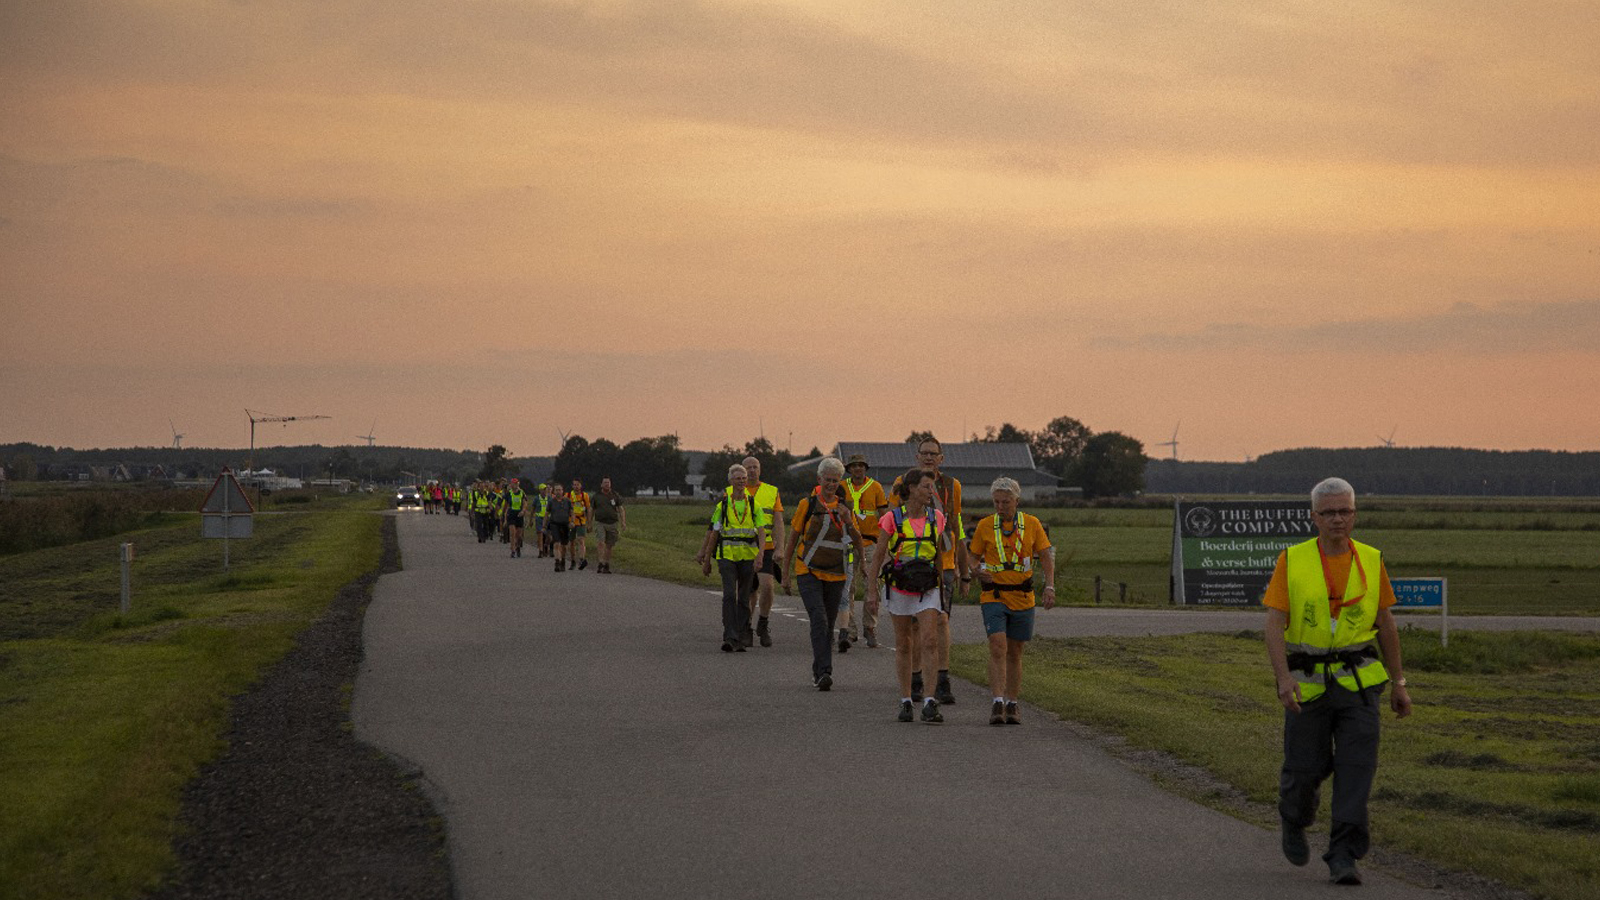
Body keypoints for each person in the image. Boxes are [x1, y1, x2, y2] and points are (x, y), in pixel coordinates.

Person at [1264, 477, 1411, 886]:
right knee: (1303, 770)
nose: (1337, 520)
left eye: (1344, 511)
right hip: (1308, 684)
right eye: (1328, 513)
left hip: (1359, 684)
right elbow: (1274, 624)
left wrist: (1399, 682)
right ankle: (1294, 817)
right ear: (1314, 517)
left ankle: (1344, 855)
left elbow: (1385, 623)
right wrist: (1282, 679)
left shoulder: (1371, 559)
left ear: (1355, 514)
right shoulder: (1292, 560)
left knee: (1356, 771)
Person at [965, 477, 1055, 725]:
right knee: (997, 646)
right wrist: (975, 570)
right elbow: (973, 556)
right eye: (996, 502)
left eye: (1005, 502)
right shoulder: (985, 525)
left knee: (1015, 651)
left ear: (1017, 501)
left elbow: (1045, 556)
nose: (1000, 507)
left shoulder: (1032, 524)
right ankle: (997, 701)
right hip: (993, 595)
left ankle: (1012, 703)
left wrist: (1049, 586)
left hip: (1023, 597)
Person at [866, 468, 948, 723]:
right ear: (911, 488)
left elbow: (938, 553)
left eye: (931, 487)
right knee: (904, 643)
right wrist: (871, 592)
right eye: (926, 487)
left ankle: (930, 701)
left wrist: (943, 587)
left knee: (930, 640)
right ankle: (905, 700)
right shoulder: (892, 518)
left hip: (927, 587)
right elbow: (879, 555)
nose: (930, 492)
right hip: (900, 586)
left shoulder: (936, 518)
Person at [891, 438, 967, 705]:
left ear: (941, 458)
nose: (928, 458)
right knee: (913, 624)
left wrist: (962, 568)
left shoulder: (951, 486)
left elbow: (955, 525)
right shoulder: (903, 481)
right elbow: (892, 519)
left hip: (941, 561)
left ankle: (942, 678)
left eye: (933, 454)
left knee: (941, 621)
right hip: (910, 563)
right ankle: (915, 677)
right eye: (924, 453)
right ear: (917, 456)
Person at [782, 457, 865, 691]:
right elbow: (793, 539)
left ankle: (819, 669)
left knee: (828, 624)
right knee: (819, 619)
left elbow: (857, 539)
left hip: (836, 573)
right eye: (827, 480)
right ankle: (824, 672)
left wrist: (848, 521)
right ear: (819, 479)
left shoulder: (845, 508)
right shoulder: (807, 505)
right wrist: (785, 574)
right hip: (808, 570)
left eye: (835, 481)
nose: (831, 484)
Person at [696, 464, 766, 652]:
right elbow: (714, 533)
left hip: (747, 556)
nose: (741, 481)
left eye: (744, 478)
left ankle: (741, 635)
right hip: (726, 556)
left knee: (743, 597)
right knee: (729, 595)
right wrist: (707, 558)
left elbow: (761, 531)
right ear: (730, 481)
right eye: (737, 478)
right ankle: (730, 636)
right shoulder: (723, 505)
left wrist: (760, 554)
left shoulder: (754, 505)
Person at [838, 453, 888, 651]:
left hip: (870, 542)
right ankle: (850, 630)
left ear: (865, 468)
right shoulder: (842, 487)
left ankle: (870, 626)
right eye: (854, 466)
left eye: (861, 465)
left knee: (872, 584)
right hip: (848, 542)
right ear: (849, 469)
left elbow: (884, 515)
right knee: (847, 586)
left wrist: (887, 541)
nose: (857, 468)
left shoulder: (875, 487)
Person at [735, 457, 785, 648]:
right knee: (748, 590)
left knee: (768, 586)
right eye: (748, 468)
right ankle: (746, 627)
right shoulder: (732, 491)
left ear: (760, 470)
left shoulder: (771, 491)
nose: (752, 471)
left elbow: (778, 522)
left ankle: (763, 623)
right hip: (743, 548)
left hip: (767, 547)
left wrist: (780, 547)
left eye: (755, 467)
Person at [590, 477, 626, 574]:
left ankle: (606, 563)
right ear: (601, 484)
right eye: (605, 483)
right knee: (601, 542)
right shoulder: (596, 496)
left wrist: (623, 522)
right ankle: (601, 562)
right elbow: (591, 510)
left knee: (609, 545)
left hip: (613, 523)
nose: (607, 484)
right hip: (600, 522)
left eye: (608, 482)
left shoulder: (615, 495)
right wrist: (589, 523)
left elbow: (621, 509)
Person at [545, 482, 573, 571]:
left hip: (565, 524)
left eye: (560, 490)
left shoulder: (567, 501)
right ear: (554, 491)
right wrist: (544, 525)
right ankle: (557, 562)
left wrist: (572, 521)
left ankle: (563, 560)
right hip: (554, 524)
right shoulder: (551, 502)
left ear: (562, 491)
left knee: (564, 545)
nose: (558, 492)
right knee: (556, 543)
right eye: (556, 490)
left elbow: (572, 512)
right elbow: (547, 514)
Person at [568, 478, 591, 570]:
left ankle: (581, 559)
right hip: (571, 521)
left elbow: (588, 509)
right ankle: (573, 560)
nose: (576, 486)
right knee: (571, 542)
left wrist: (589, 523)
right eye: (574, 485)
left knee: (581, 540)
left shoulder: (585, 496)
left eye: (578, 484)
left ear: (581, 486)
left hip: (581, 521)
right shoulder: (568, 495)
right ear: (572, 486)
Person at [503, 478, 528, 558]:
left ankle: (518, 547)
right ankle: (513, 550)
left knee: (519, 535)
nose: (515, 485)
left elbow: (525, 503)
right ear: (511, 484)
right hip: (511, 514)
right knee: (512, 533)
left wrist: (523, 511)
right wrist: (504, 516)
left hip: (519, 514)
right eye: (514, 483)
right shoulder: (509, 493)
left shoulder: (522, 492)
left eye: (516, 483)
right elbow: (506, 505)